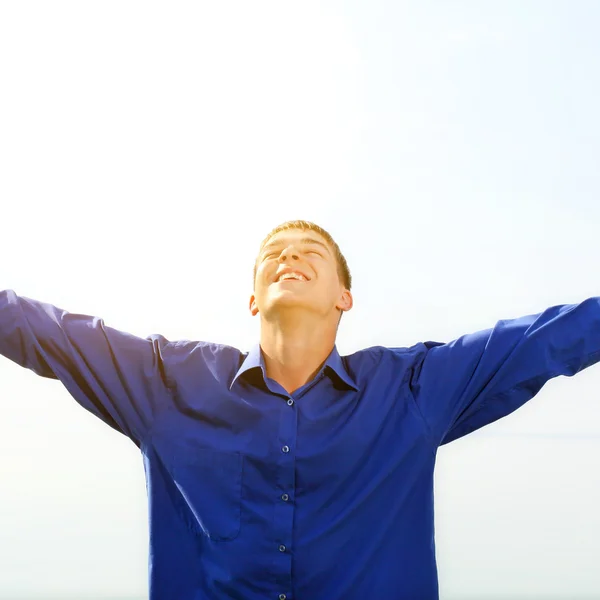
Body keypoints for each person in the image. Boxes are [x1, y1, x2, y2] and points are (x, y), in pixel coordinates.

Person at [1, 218, 599, 600]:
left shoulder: (410, 389)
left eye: (311, 250)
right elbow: (43, 331)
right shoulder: (167, 385)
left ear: (344, 296)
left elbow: (543, 339)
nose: (290, 255)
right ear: (254, 298)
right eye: (274, 253)